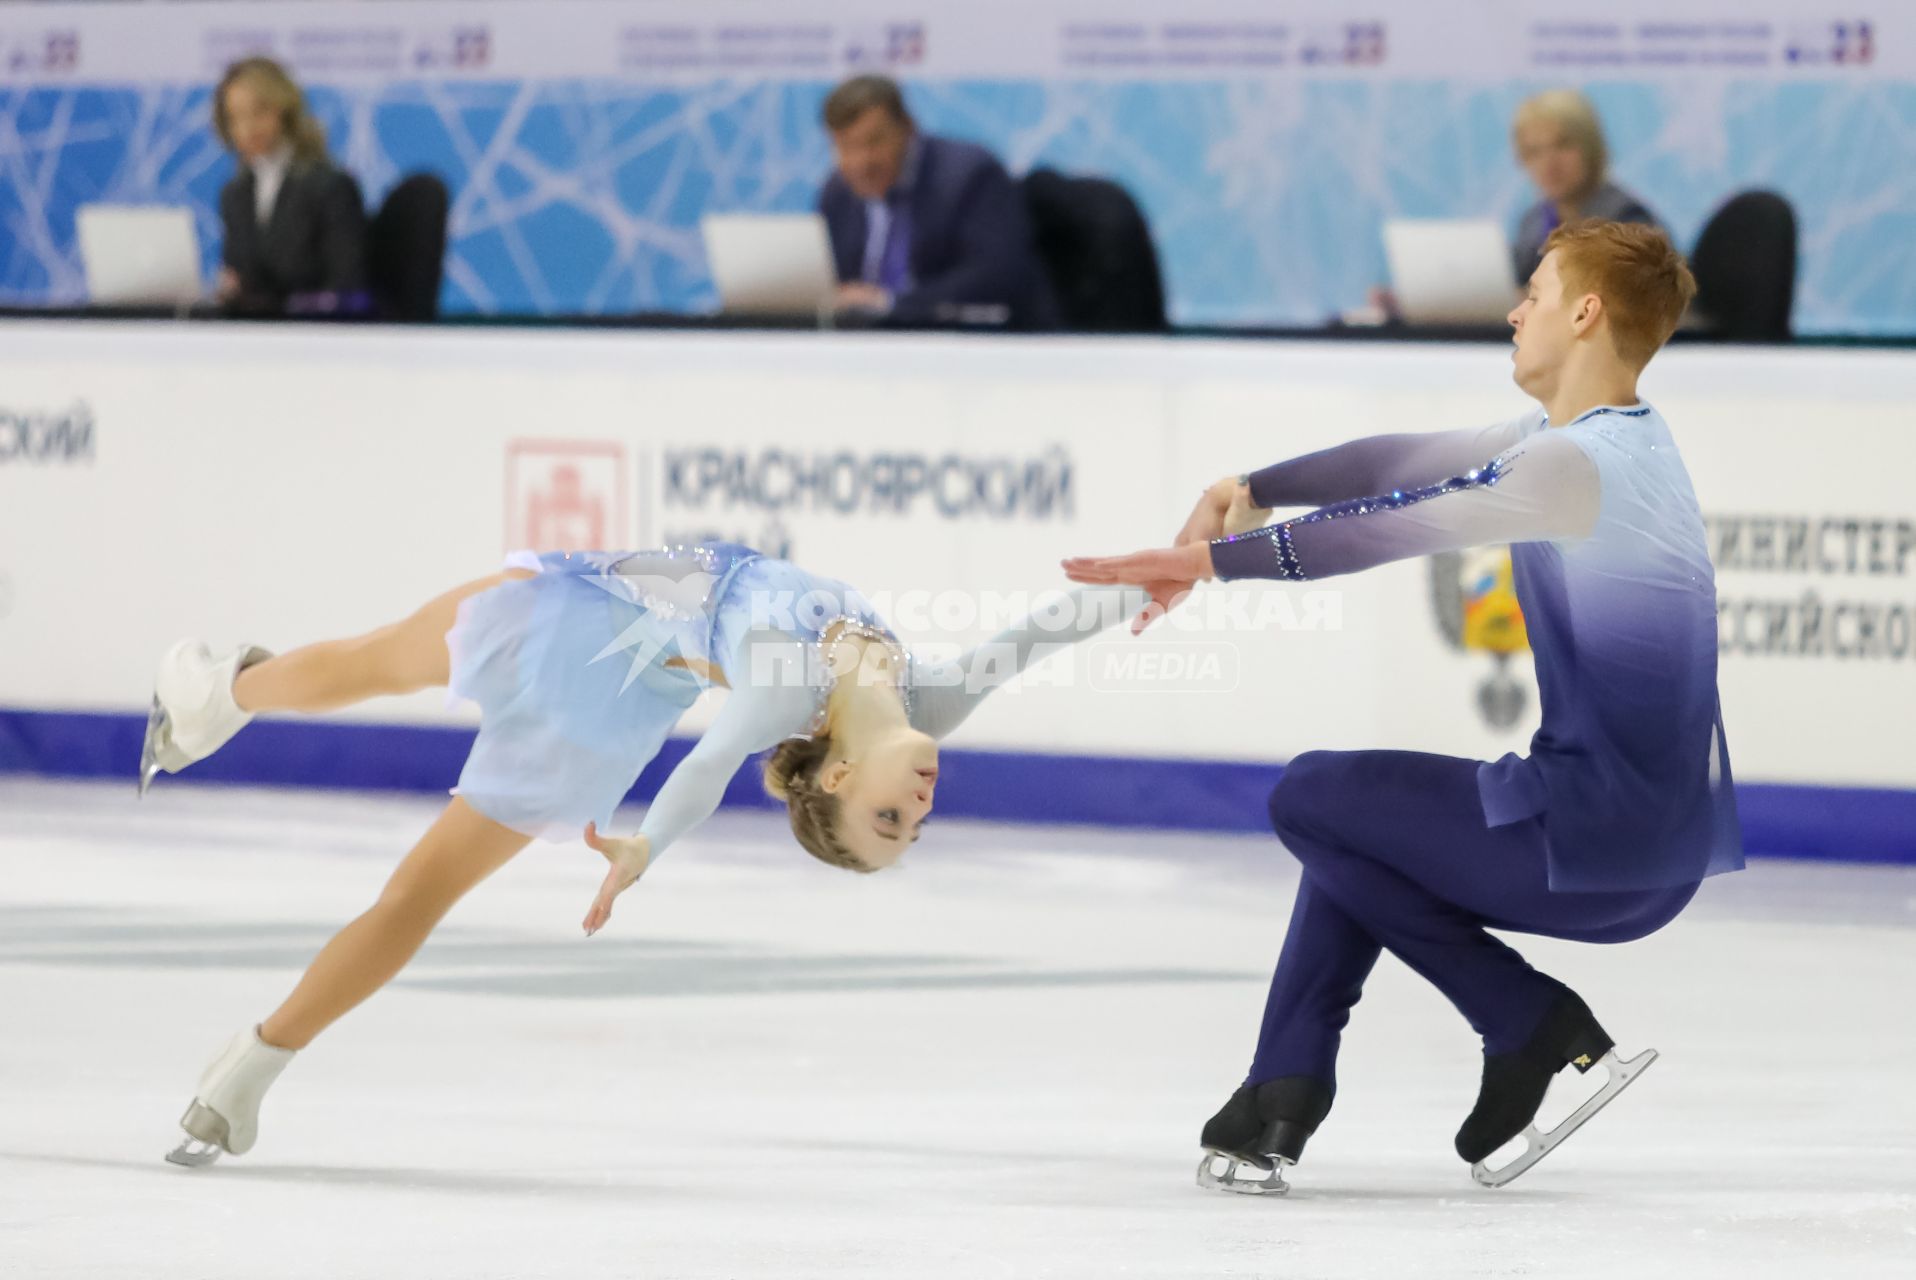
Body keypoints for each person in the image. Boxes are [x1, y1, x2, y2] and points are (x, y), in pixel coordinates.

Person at [1064, 221, 1742, 1193]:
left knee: (1308, 794)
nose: (1515, 311)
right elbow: (1397, 462)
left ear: (1585, 312)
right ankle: (1280, 1088)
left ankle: (1520, 1018)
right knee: (1353, 826)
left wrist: (1203, 562)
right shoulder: (1615, 442)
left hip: (1586, 840)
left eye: (1535, 292)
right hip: (1650, 849)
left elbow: (1387, 527)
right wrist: (1250, 487)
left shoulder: (1566, 468)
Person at [140, 543, 1141, 1165]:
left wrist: (645, 845)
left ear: (837, 781)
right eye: (910, 828)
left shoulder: (785, 692)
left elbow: (706, 763)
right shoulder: (931, 702)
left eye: (888, 825)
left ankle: (223, 703)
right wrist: (1167, 572)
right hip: (614, 625)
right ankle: (221, 703)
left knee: (414, 857)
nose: (917, 811)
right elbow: (1040, 632)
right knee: (376, 669)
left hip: (587, 652)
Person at [818, 75, 1057, 330]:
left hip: (976, 344)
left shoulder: (970, 175)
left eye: (873, 142)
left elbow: (997, 273)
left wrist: (891, 303)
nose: (860, 162)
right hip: (868, 348)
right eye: (845, 146)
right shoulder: (838, 194)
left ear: (908, 129)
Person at [213, 57, 369, 315]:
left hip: (319, 337)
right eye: (236, 118)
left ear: (284, 109)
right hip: (253, 338)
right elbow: (239, 275)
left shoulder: (329, 186)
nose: (247, 128)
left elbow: (347, 288)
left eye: (259, 112)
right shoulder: (235, 194)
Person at [1509, 89, 1663, 285]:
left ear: (1590, 146)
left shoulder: (1627, 221)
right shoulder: (1531, 223)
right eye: (1534, 151)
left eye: (1562, 145)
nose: (1549, 163)